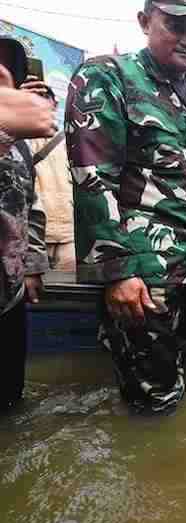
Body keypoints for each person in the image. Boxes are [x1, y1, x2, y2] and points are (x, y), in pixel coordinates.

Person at [65, 0, 186, 413]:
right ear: (145, 22)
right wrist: (116, 272)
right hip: (144, 284)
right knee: (153, 403)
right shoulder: (108, 77)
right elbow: (92, 179)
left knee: (185, 390)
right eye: (176, 25)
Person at [0, 36, 53, 411]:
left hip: (9, 295)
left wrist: (32, 267)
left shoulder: (19, 145)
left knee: (9, 398)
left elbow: (30, 208)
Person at [22, 79, 75, 272]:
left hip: (68, 237)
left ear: (55, 104)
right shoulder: (13, 140)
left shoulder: (72, 141)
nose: (38, 103)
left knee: (67, 298)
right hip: (26, 238)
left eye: (44, 97)